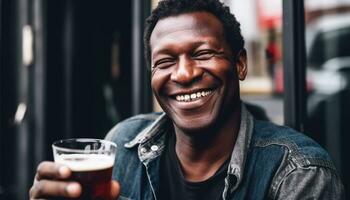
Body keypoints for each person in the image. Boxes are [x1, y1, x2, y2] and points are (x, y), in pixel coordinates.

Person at [29, 0, 345, 199]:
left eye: (203, 53)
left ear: (240, 64)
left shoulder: (299, 174)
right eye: (165, 62)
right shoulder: (123, 143)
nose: (183, 74)